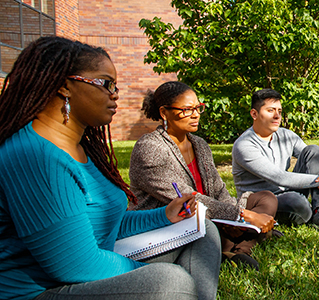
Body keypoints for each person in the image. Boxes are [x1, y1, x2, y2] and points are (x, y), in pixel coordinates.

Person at [0, 36, 221, 300]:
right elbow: (77, 266)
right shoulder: (35, 156)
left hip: (90, 267)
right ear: (64, 86)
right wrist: (159, 274)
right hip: (41, 290)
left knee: (202, 230)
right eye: (106, 84)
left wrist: (165, 216)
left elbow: (102, 224)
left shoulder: (79, 147)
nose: (115, 94)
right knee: (170, 283)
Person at [128, 81, 278, 270]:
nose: (196, 114)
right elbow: (187, 200)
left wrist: (235, 216)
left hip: (212, 215)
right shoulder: (150, 148)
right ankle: (240, 245)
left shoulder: (199, 144)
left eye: (198, 108)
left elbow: (218, 189)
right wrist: (242, 215)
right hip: (177, 221)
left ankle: (236, 246)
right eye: (187, 110)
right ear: (164, 112)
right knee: (204, 223)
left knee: (267, 198)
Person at [232, 88, 319, 231]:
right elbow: (279, 178)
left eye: (279, 111)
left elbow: (317, 159)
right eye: (271, 110)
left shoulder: (286, 135)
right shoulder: (244, 145)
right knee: (295, 201)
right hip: (263, 202)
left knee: (313, 150)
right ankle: (312, 209)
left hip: (287, 192)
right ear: (254, 114)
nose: (277, 116)